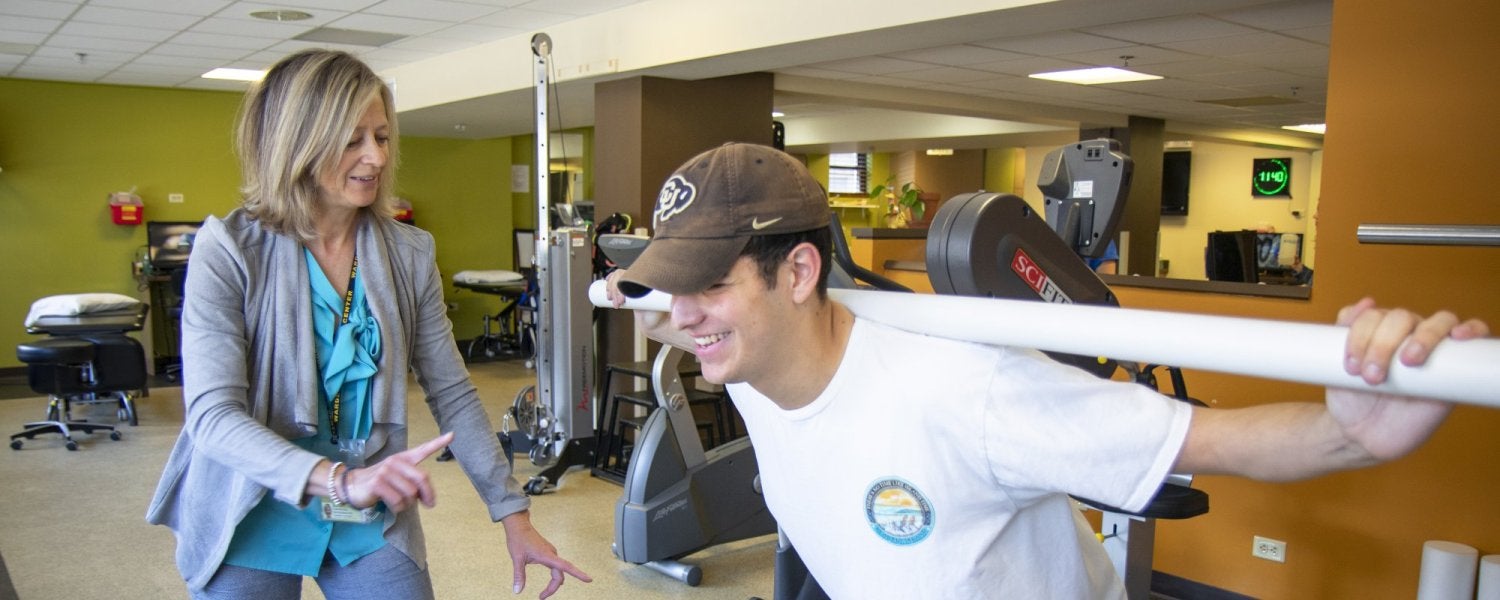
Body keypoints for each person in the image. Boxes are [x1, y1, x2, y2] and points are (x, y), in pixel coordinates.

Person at [605, 142, 1490, 598]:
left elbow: (1211, 440)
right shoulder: (741, 351)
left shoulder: (965, 389)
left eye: (709, 285)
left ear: (799, 273)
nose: (683, 319)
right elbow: (655, 303)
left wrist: (1353, 432)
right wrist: (639, 279)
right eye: (673, 290)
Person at [145, 50, 591, 599]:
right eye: (353, 139)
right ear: (298, 143)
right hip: (254, 498)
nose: (376, 157)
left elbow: (452, 392)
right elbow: (213, 417)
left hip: (365, 503)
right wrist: (340, 481)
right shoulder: (231, 250)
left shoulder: (408, 253)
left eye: (381, 137)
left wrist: (513, 514)